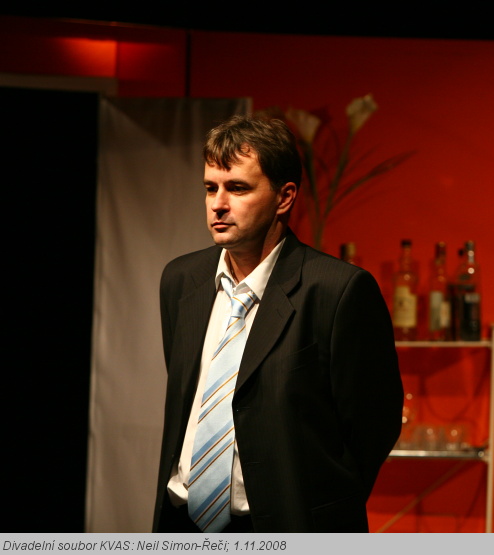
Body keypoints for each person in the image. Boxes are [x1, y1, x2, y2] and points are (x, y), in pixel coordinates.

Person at [152, 114, 404, 533]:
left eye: (237, 188)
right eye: (211, 188)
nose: (218, 204)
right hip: (182, 521)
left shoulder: (337, 290)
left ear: (284, 197)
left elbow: (373, 424)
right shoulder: (181, 280)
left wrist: (321, 511)